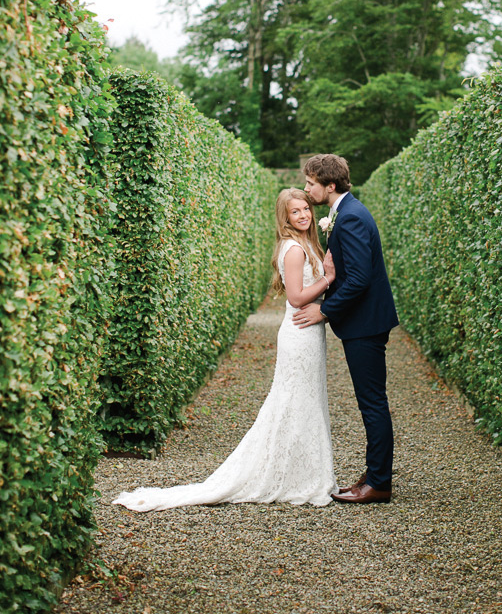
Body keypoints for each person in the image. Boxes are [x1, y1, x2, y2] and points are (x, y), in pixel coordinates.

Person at [112, 189, 338, 511]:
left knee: (305, 401)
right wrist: (328, 278)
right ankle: (295, 477)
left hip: (310, 333)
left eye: (305, 209)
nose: (303, 215)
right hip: (299, 334)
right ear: (284, 218)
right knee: (293, 402)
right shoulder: (293, 249)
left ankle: (302, 473)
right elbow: (297, 299)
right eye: (295, 212)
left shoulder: (309, 244)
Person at [293, 154, 398, 504]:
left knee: (372, 403)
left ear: (330, 185)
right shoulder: (346, 212)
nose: (307, 190)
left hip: (365, 323)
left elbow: (358, 280)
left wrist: (324, 310)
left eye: (311, 183)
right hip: (364, 321)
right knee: (371, 401)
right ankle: (374, 473)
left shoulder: (350, 217)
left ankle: (379, 483)